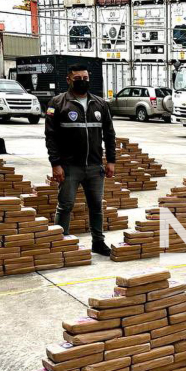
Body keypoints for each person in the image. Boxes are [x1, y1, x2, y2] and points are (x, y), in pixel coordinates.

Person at [44, 64, 116, 256]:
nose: (82, 81)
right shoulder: (57, 103)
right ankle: (60, 242)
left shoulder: (100, 104)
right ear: (69, 79)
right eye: (78, 78)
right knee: (65, 205)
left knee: (96, 206)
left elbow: (109, 134)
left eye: (85, 78)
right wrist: (55, 164)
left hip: (94, 166)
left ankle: (98, 242)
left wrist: (111, 160)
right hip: (69, 167)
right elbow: (51, 137)